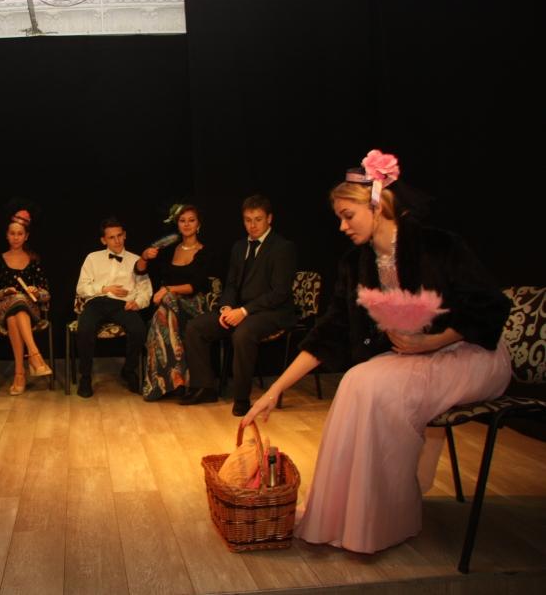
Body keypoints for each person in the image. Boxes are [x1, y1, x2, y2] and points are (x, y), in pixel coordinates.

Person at [241, 150, 512, 554]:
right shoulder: (356, 265)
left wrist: (431, 342)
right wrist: (273, 391)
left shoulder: (437, 246)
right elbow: (328, 334)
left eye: (348, 215)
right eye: (339, 217)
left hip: (472, 353)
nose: (342, 226)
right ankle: (344, 517)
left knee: (376, 387)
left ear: (377, 204)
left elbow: (490, 308)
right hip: (417, 358)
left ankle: (383, 520)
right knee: (355, 381)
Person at [184, 195, 297, 416]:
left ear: (269, 219)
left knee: (242, 333)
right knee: (196, 327)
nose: (252, 225)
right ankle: (205, 388)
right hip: (240, 309)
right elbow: (231, 284)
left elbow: (279, 293)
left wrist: (244, 311)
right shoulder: (239, 247)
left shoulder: (283, 247)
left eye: (258, 219)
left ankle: (242, 399)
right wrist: (226, 307)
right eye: (247, 220)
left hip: (272, 312)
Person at [137, 205, 212, 401]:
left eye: (191, 220)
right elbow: (140, 270)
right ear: (177, 224)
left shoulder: (204, 251)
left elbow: (195, 286)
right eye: (182, 220)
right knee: (163, 315)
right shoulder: (169, 250)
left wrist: (167, 290)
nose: (187, 224)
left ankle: (160, 383)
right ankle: (178, 381)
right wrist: (144, 256)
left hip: (193, 304)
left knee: (164, 307)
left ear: (198, 224)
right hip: (169, 306)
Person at [74, 217, 153, 398]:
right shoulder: (92, 258)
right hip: (96, 302)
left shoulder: (136, 260)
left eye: (119, 235)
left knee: (139, 329)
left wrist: (137, 302)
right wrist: (104, 288)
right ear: (104, 240)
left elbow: (145, 289)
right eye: (111, 237)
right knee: (84, 329)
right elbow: (81, 288)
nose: (117, 240)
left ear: (124, 235)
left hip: (122, 305)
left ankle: (129, 370)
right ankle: (85, 376)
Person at [0, 210, 52, 396]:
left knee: (18, 309)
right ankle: (34, 356)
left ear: (26, 236)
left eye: (20, 234)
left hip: (30, 309)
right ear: (7, 235)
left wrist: (36, 292)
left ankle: (19, 374)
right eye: (12, 233)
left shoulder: (34, 260)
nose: (16, 237)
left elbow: (47, 294)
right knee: (16, 302)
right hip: (3, 309)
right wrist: (4, 292)